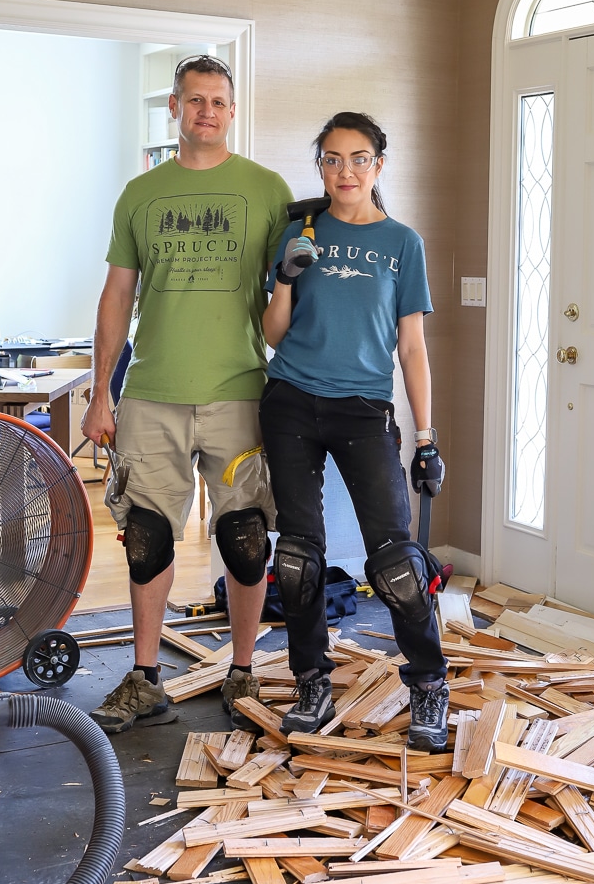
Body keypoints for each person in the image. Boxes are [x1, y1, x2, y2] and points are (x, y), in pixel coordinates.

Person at [82, 55, 292, 734]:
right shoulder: (140, 195)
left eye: (219, 102)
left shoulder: (266, 189)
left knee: (244, 538)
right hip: (151, 393)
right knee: (147, 538)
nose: (207, 111)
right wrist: (99, 391)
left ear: (232, 112)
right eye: (194, 100)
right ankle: (145, 678)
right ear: (174, 107)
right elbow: (117, 294)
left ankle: (242, 670)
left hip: (238, 391)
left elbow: (286, 295)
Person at [259, 111, 449, 752]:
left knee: (395, 559)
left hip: (363, 409)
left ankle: (428, 684)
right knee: (298, 557)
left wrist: (427, 438)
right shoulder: (298, 230)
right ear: (321, 166)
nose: (345, 171)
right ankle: (311, 678)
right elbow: (273, 333)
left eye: (359, 158)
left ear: (379, 165)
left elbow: (413, 349)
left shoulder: (402, 243)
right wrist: (285, 277)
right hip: (289, 400)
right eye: (333, 159)